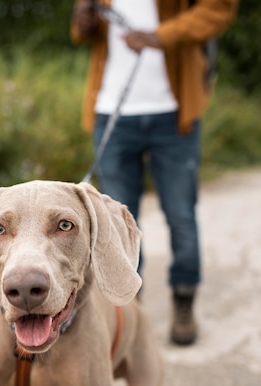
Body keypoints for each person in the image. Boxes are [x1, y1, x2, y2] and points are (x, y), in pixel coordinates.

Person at [71, 0, 237, 345]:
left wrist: (159, 37)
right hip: (112, 113)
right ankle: (131, 312)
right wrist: (84, 18)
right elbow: (81, 34)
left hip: (173, 114)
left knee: (180, 215)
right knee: (118, 222)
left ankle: (184, 303)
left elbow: (219, 9)